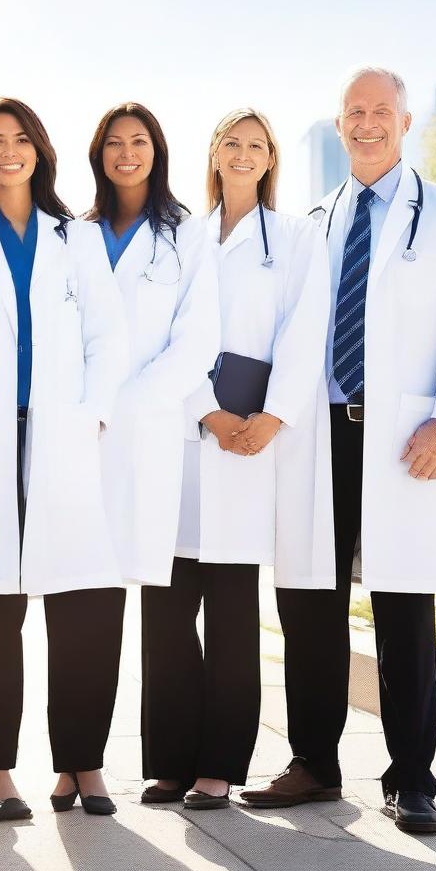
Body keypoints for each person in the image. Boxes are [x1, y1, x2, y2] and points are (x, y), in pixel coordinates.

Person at [242, 68, 436, 834]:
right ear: (340, 123)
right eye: (355, 112)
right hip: (316, 436)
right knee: (310, 602)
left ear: (406, 122)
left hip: (401, 440)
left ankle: (413, 778)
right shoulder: (313, 220)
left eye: (382, 111)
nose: (367, 123)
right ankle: (313, 763)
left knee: (403, 609)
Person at [0, 97, 129, 821]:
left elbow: (108, 338)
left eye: (21, 140)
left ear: (41, 152)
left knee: (87, 608)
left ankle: (82, 764)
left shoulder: (76, 239)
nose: (8, 151)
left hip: (64, 440)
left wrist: (92, 413)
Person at [140, 109, 332, 810]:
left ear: (271, 158)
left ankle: (219, 766)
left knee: (230, 615)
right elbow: (156, 334)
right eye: (232, 142)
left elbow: (305, 328)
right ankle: (167, 763)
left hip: (252, 441)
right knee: (164, 613)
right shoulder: (178, 236)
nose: (243, 152)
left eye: (257, 144)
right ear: (214, 155)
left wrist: (272, 417)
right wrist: (206, 409)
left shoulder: (294, 238)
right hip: (183, 434)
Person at [86, 102, 220, 586]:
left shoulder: (186, 233)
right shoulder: (77, 235)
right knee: (84, 581)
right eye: (114, 143)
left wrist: (128, 401)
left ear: (157, 152)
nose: (127, 153)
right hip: (83, 426)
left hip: (149, 423)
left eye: (138, 142)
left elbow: (200, 339)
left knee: (137, 563)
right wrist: (91, 406)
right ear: (98, 154)